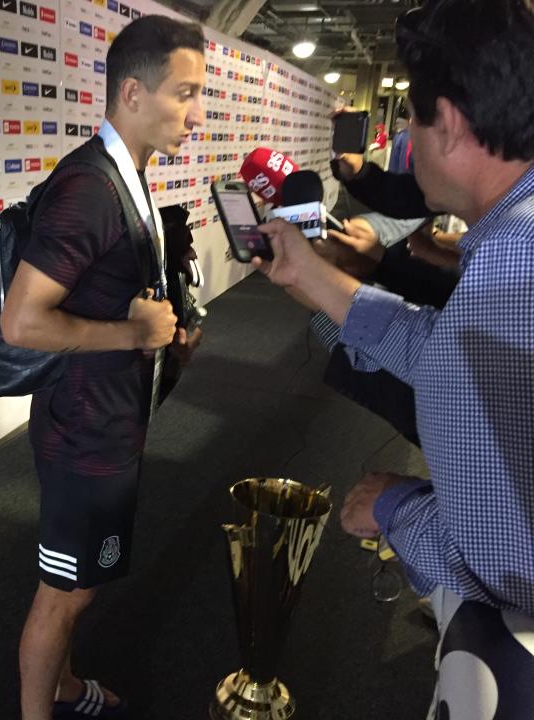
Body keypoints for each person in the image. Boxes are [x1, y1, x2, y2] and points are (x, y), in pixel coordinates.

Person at [255, 1, 534, 716]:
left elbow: (511, 565)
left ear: (455, 122)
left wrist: (396, 507)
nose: (406, 136)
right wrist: (315, 279)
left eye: (413, 116)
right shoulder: (513, 245)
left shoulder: (512, 272)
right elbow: (443, 353)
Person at [0, 16, 205, 720]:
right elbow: (22, 320)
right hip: (83, 433)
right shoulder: (89, 187)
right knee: (65, 594)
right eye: (185, 93)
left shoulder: (129, 176)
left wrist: (160, 335)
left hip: (110, 422)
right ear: (132, 93)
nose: (197, 114)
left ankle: (62, 684)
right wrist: (129, 332)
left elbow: (118, 299)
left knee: (80, 582)